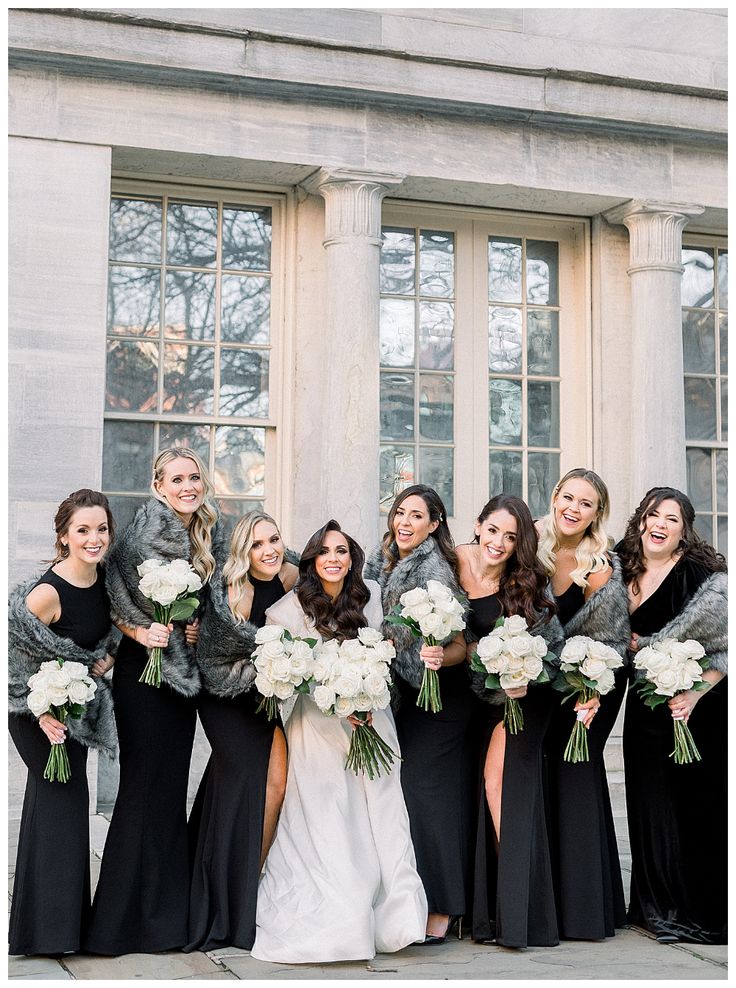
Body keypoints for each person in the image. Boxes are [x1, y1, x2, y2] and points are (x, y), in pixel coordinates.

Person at [251, 520, 427, 963]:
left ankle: (398, 918)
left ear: (353, 558)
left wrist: (366, 694)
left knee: (384, 814)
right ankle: (340, 917)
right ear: (311, 559)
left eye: (343, 551)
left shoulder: (369, 596)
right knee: (330, 815)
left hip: (371, 721)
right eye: (325, 551)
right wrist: (331, 695)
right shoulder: (287, 611)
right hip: (317, 729)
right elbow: (286, 679)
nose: (334, 558)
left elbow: (384, 656)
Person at [83, 448, 219, 955]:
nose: (188, 486)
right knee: (142, 789)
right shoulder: (136, 536)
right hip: (144, 675)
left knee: (167, 791)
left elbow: (209, 606)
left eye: (195, 477)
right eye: (177, 479)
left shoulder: (204, 533)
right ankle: (116, 926)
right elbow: (112, 600)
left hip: (182, 681)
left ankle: (165, 922)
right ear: (158, 485)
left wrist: (198, 626)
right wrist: (141, 632)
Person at [8, 489, 118, 956]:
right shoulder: (47, 594)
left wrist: (104, 660)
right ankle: (51, 934)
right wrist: (44, 712)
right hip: (34, 715)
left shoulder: (105, 581)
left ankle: (49, 929)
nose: (94, 539)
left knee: (63, 810)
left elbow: (107, 639)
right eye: (83, 530)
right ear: (64, 537)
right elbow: (13, 667)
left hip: (72, 713)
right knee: (62, 808)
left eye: (101, 529)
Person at [364, 486, 473, 944]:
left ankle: (445, 906)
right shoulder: (379, 558)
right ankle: (408, 897)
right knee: (403, 797)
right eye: (400, 513)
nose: (405, 522)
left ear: (435, 524)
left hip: (439, 698)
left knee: (425, 796)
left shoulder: (435, 570)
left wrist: (433, 657)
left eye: (417, 516)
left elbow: (459, 644)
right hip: (403, 699)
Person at [619, 487, 727, 945]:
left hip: (696, 709)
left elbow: (725, 648)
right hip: (644, 710)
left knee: (694, 808)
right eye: (653, 515)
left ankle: (699, 911)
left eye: (672, 519)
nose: (660, 524)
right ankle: (653, 906)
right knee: (649, 805)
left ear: (684, 531)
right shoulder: (619, 568)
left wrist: (696, 695)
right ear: (641, 520)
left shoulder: (703, 576)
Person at [185, 511, 297, 951]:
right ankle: (227, 902)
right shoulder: (231, 589)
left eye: (273, 539)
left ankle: (251, 882)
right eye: (256, 544)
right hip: (224, 697)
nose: (268, 550)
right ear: (241, 552)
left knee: (276, 784)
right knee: (246, 785)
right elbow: (212, 656)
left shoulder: (288, 575)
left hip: (265, 696)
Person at [461, 494, 563, 948]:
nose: (499, 542)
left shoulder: (527, 586)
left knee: (499, 786)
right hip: (477, 704)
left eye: (511, 536)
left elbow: (553, 653)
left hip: (523, 702)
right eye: (493, 530)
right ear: (478, 525)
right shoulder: (450, 567)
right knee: (484, 791)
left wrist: (527, 675)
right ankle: (493, 913)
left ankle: (522, 915)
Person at [536, 469, 629, 940]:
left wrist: (592, 688)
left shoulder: (600, 563)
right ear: (554, 498)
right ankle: (541, 903)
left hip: (584, 688)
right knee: (535, 781)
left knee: (575, 777)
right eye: (567, 497)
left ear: (597, 513)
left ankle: (585, 909)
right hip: (530, 684)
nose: (573, 508)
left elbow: (608, 636)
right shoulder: (528, 544)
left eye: (586, 503)